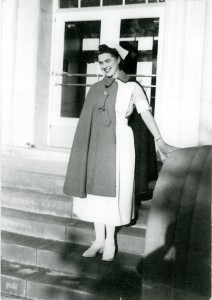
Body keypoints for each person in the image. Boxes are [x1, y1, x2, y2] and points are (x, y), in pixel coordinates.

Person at [63, 44, 178, 261]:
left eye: (108, 60)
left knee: (114, 193)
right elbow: (86, 122)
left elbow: (145, 114)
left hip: (120, 145)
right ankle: (98, 240)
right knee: (95, 194)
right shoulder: (95, 88)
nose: (104, 65)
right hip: (97, 145)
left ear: (117, 60)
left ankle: (110, 242)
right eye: (101, 62)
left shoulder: (132, 87)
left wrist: (160, 140)